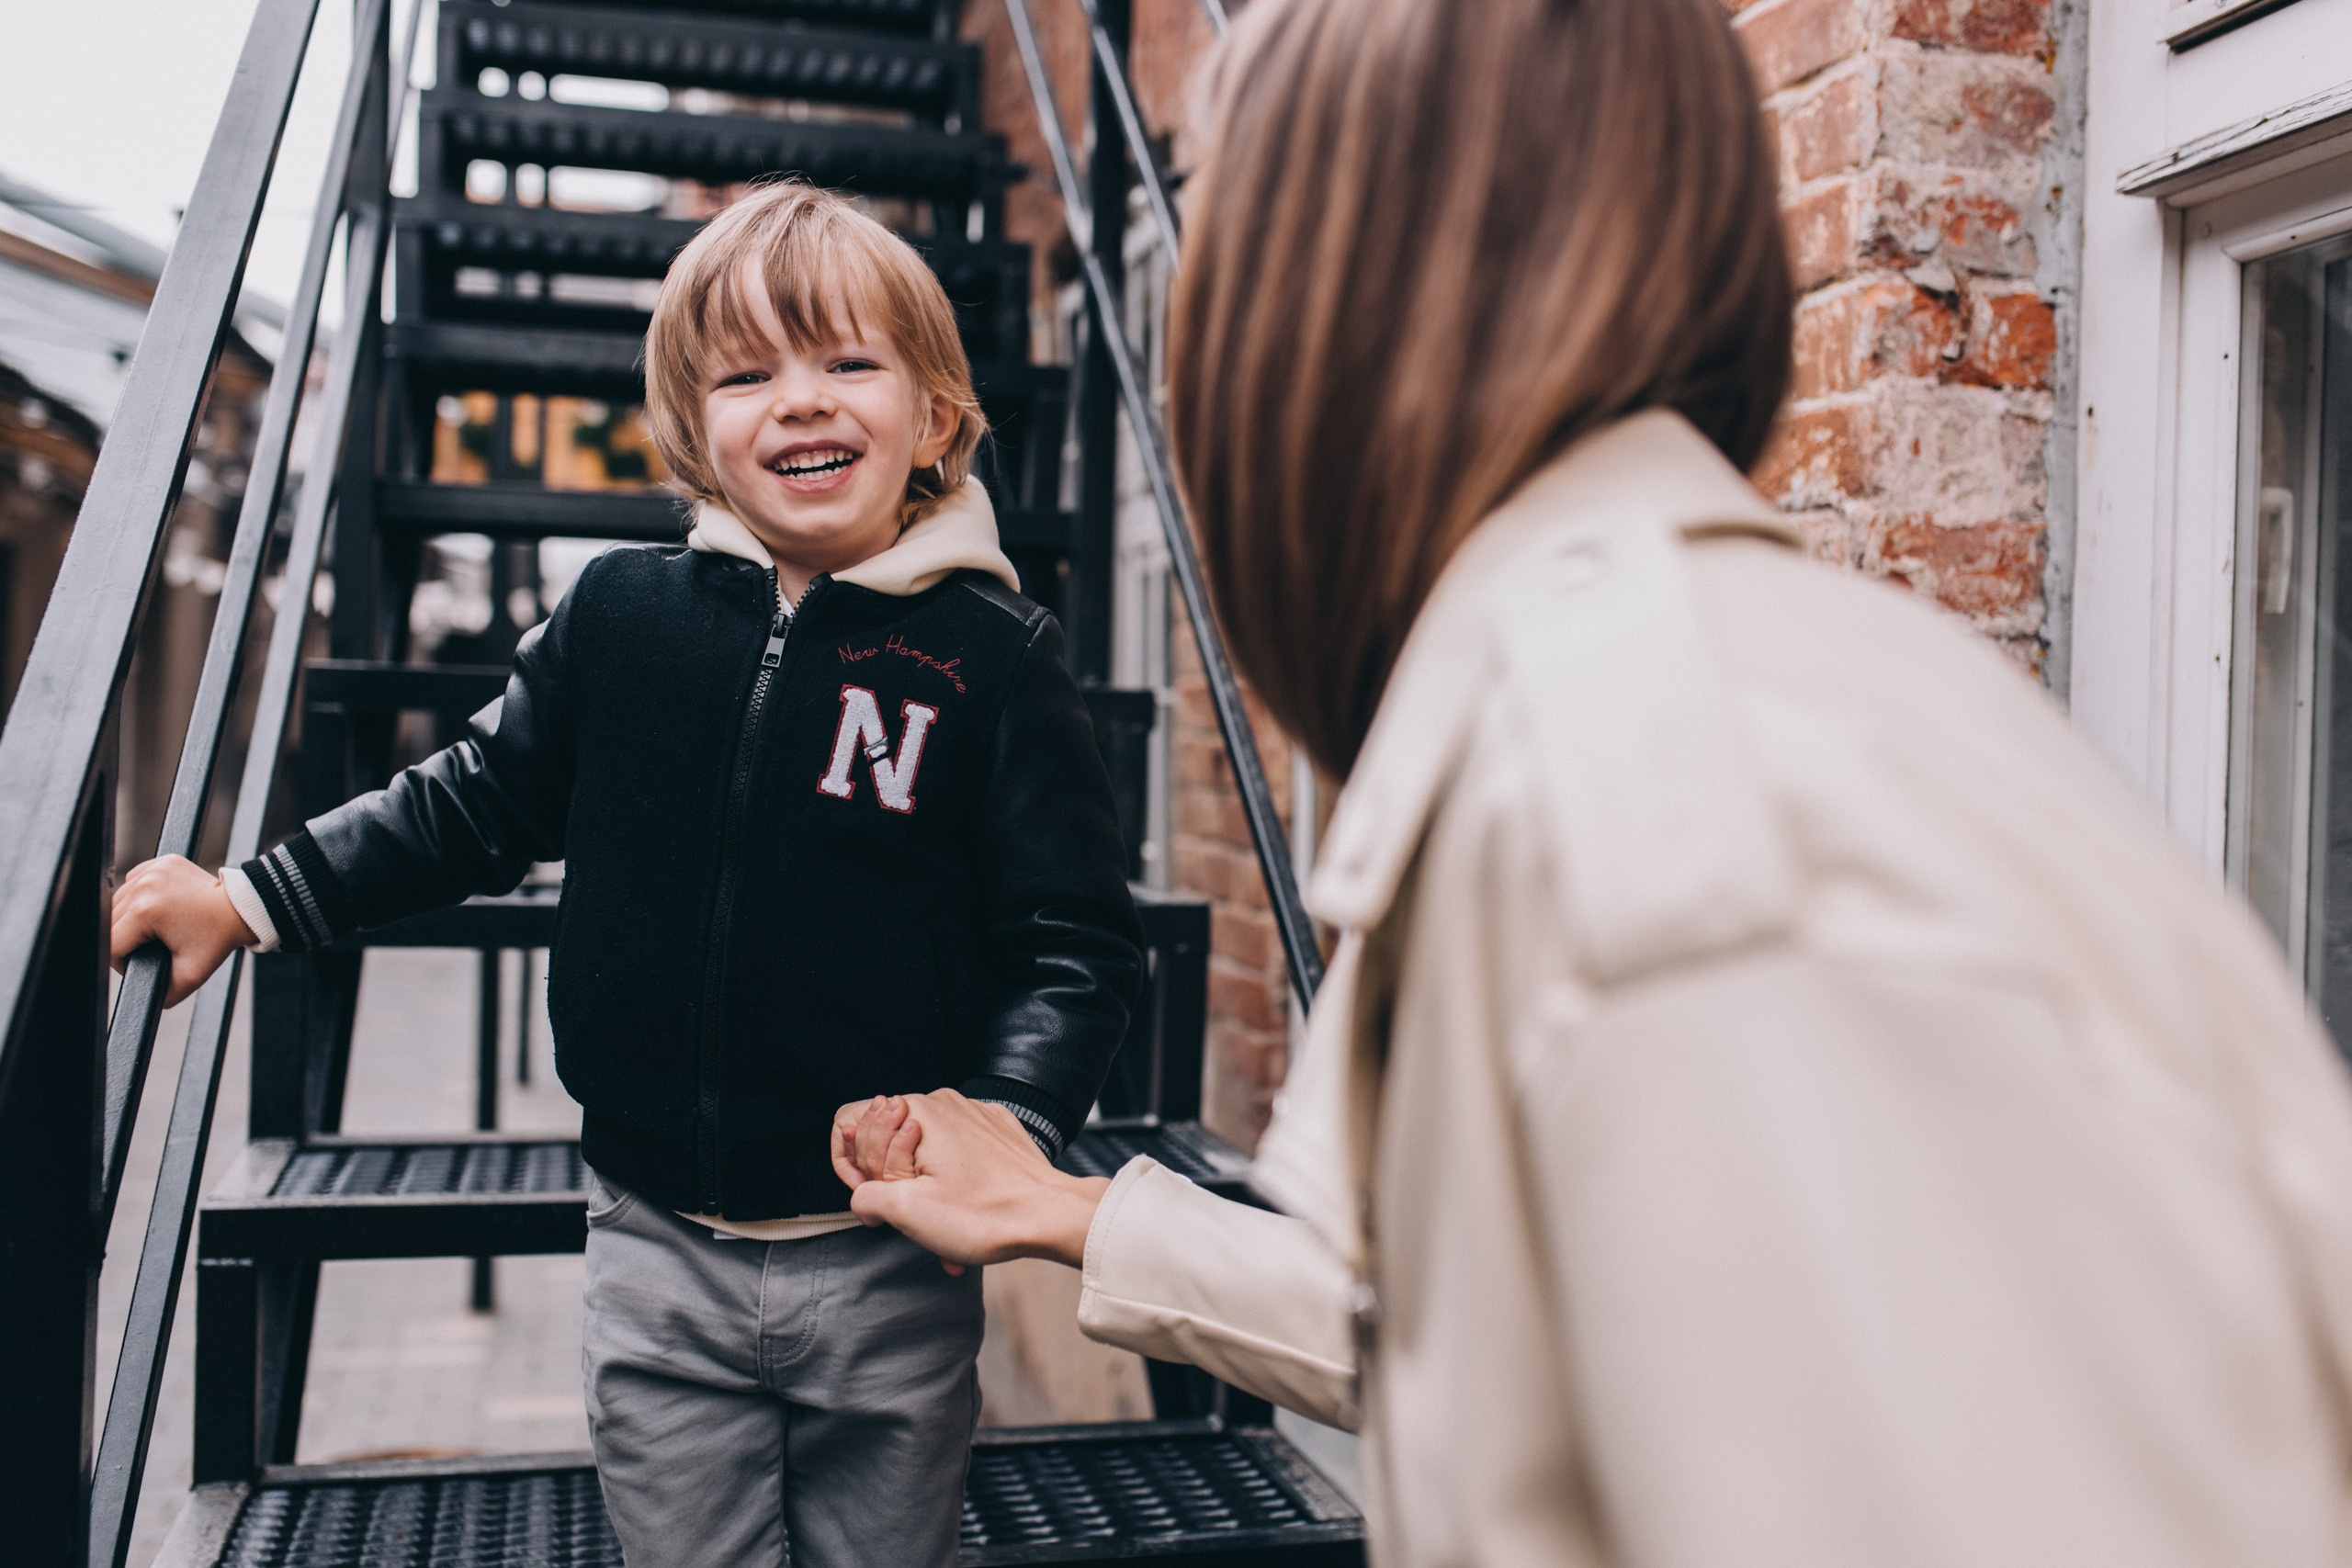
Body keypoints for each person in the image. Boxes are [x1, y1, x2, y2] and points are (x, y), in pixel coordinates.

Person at [830, 2, 2352, 1564]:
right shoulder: (1676, 719)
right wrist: (1081, 1211)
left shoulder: (1657, 836)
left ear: (1318, 309)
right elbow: (1542, 1322)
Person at [107, 180, 1145, 1568]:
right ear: (695, 434)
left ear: (937, 423)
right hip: (656, 1241)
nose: (800, 401)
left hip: (890, 1253)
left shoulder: (995, 657)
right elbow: (466, 805)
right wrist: (245, 898)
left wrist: (1007, 1131)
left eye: (848, 363)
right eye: (748, 373)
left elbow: (1070, 936)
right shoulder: (621, 618)